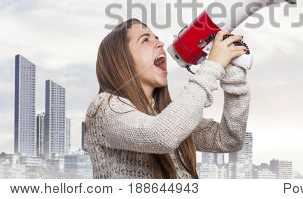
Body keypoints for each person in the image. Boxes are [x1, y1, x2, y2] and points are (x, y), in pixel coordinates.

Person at [84, 18, 250, 179]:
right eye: (145, 40)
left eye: (156, 37)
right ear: (121, 59)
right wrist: (213, 66)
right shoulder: (102, 109)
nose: (160, 43)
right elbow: (164, 135)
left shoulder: (165, 114)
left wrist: (233, 74)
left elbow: (229, 139)